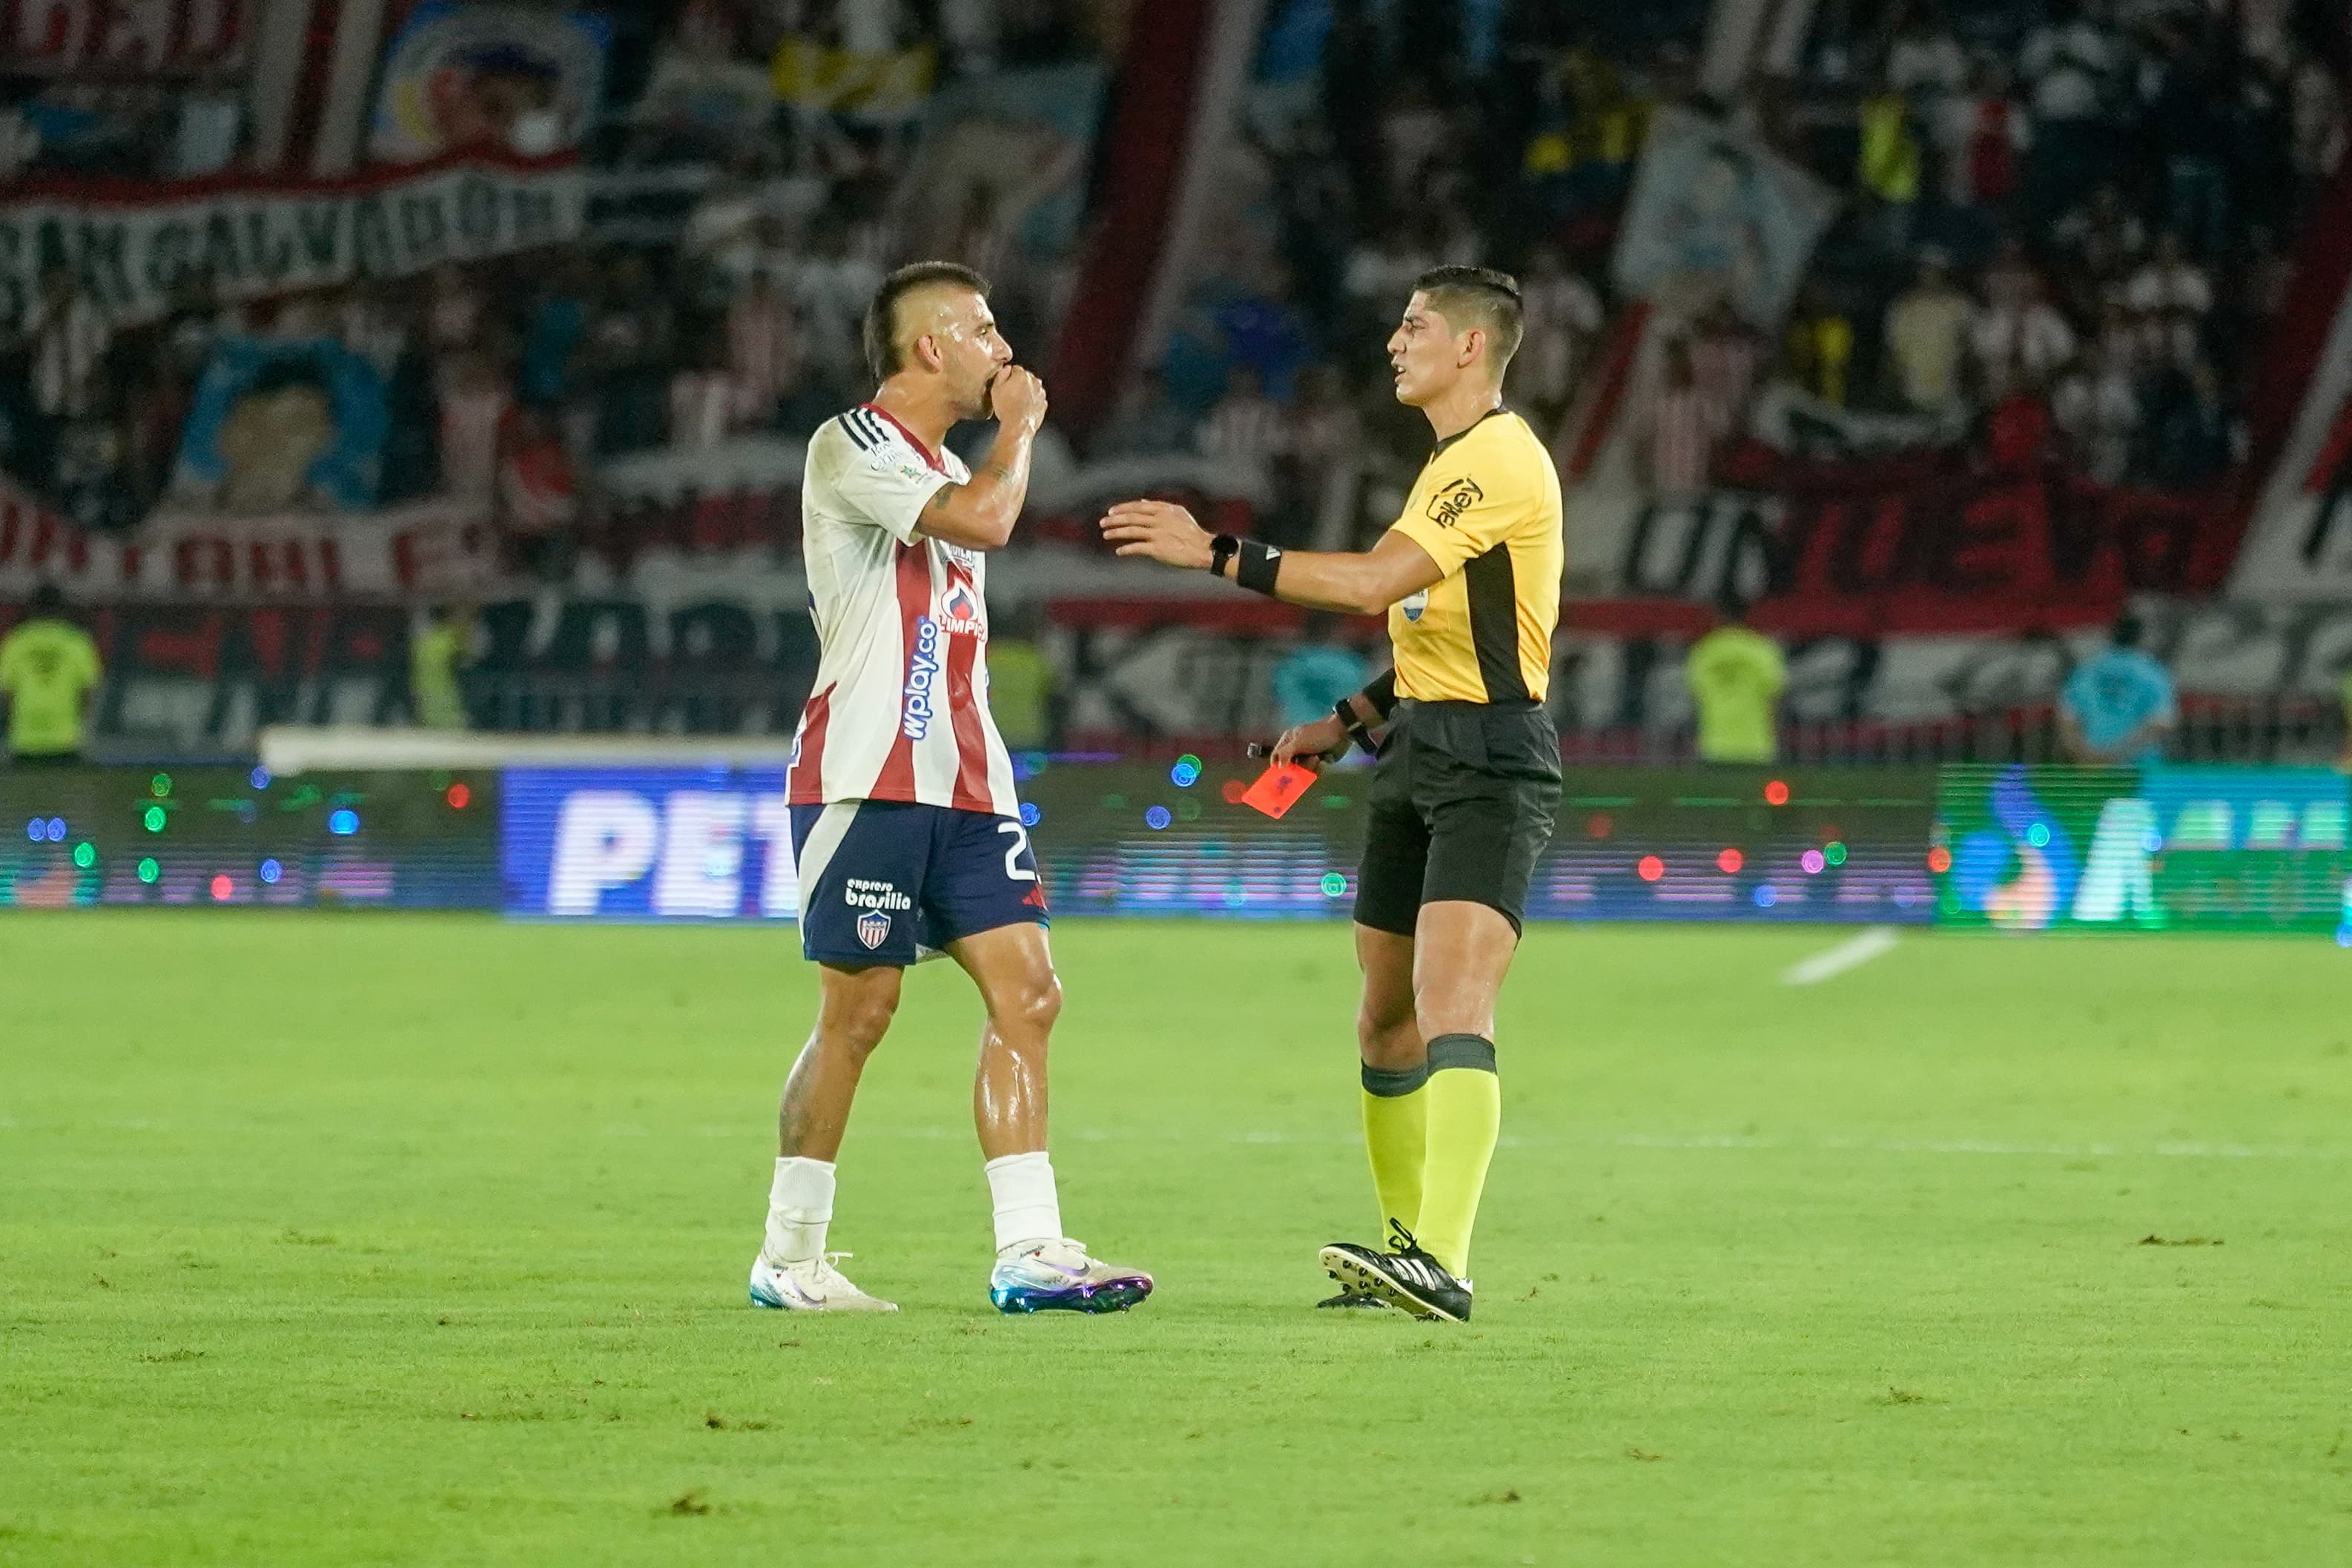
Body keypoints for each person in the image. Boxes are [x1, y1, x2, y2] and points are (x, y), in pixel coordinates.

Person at [1101, 266, 1563, 1323]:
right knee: (1385, 1016)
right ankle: (1405, 1253)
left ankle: (1444, 1262)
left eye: (1416, 325)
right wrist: (1349, 721)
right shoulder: (1447, 463)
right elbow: (1441, 637)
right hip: (1418, 749)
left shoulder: (1496, 458)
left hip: (1491, 762)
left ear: (1471, 348)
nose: (1395, 342)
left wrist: (1215, 551)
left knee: (1453, 1005)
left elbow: (1369, 584)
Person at [751, 262, 1152, 1318]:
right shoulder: (853, 443)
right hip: (866, 772)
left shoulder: (941, 462)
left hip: (971, 781)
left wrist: (1004, 442)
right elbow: (983, 519)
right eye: (982, 330)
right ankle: (789, 1255)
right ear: (929, 347)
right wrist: (1019, 431)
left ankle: (1029, 1249)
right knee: (860, 1011)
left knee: (1032, 993)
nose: (1003, 349)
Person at [1, 583, 103, 765]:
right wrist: (81, 726)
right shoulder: (77, 641)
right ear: (62, 609)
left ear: (32, 608)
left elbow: (6, 693)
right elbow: (89, 691)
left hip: (25, 741)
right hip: (66, 740)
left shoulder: (16, 641)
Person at [2057, 610, 2176, 764]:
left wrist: (2085, 756)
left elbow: (2067, 722)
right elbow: (2161, 724)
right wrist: (2116, 754)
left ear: (2110, 635)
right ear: (2140, 636)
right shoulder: (2154, 673)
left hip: (2093, 766)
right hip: (2141, 767)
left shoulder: (2085, 671)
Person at [1685, 595, 1786, 764]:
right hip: (1756, 746)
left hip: (1714, 747)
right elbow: (1775, 699)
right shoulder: (1762, 650)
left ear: (1718, 617)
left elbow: (1696, 698)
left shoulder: (1704, 651)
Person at [411, 603, 473, 731]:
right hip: (448, 688)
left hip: (425, 688)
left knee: (431, 725)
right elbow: (467, 659)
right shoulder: (451, 637)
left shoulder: (424, 641)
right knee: (452, 725)